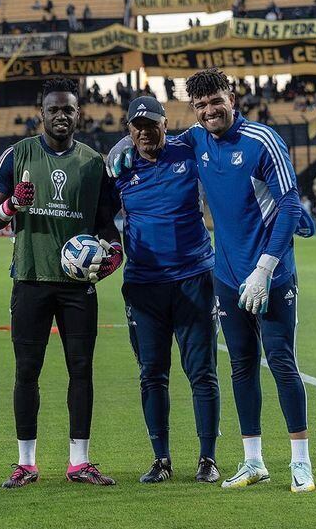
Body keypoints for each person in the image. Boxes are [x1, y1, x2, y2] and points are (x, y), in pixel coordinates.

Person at [106, 68, 316, 494]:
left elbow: (290, 201)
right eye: (200, 105)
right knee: (240, 367)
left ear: (232, 97)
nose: (208, 110)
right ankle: (253, 461)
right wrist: (122, 142)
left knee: (280, 362)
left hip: (268, 276)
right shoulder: (197, 140)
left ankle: (301, 462)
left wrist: (266, 266)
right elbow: (151, 140)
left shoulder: (263, 140)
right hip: (225, 277)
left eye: (215, 101)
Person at [0, 77, 123, 489]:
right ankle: (26, 463)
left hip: (77, 285)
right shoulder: (17, 155)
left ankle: (78, 462)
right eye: (54, 110)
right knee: (27, 371)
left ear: (78, 114)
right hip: (30, 278)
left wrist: (113, 255)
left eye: (68, 109)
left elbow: (107, 227)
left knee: (80, 370)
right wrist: (13, 204)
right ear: (41, 114)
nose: (61, 116)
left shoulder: (93, 163)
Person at [113, 97, 221, 484]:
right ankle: (161, 459)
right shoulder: (119, 170)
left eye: (151, 125)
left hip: (194, 279)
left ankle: (207, 458)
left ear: (165, 124)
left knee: (202, 373)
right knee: (151, 374)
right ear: (129, 130)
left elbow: (217, 137)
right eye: (136, 127)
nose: (144, 132)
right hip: (144, 287)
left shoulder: (188, 150)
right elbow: (102, 221)